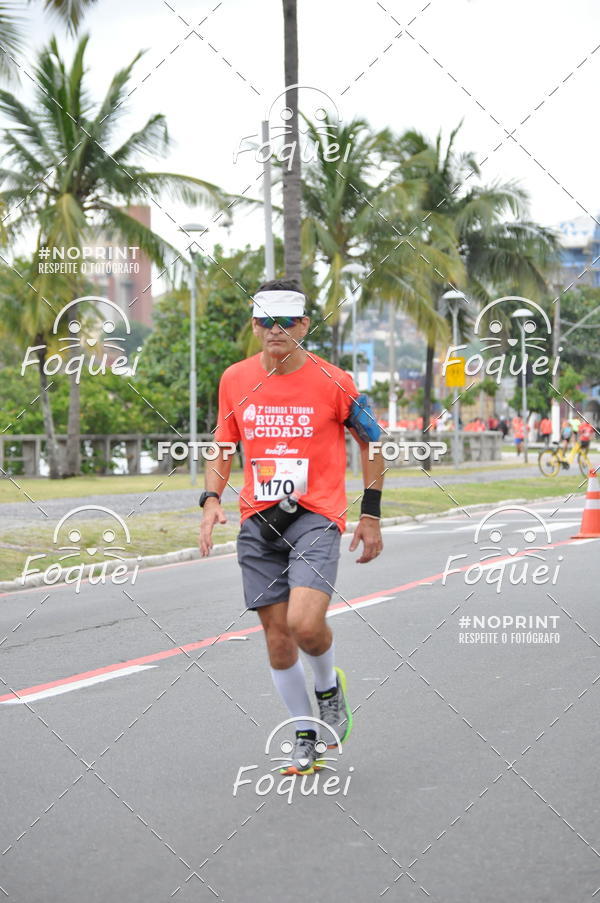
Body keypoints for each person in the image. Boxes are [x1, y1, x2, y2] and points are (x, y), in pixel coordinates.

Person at [199, 279, 385, 776]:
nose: (274, 331)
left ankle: (328, 687)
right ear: (254, 324)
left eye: (285, 322)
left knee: (305, 625)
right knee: (278, 637)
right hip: (258, 520)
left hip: (316, 515)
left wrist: (370, 513)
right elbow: (224, 444)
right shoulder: (235, 379)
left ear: (304, 325)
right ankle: (306, 732)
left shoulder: (336, 380)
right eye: (265, 321)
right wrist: (212, 499)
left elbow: (374, 441)